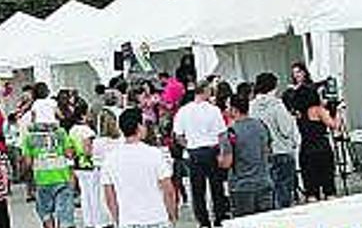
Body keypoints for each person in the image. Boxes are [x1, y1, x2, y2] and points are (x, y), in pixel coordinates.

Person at [102, 107, 178, 228]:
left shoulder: (110, 158)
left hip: (128, 220)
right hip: (156, 218)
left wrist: (117, 220)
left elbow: (109, 196)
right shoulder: (154, 154)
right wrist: (172, 216)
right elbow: (168, 190)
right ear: (138, 127)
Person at [173, 80, 229, 227]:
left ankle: (203, 221)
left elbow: (178, 135)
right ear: (205, 91)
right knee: (216, 187)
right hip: (211, 151)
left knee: (197, 190)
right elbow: (222, 134)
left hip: (193, 152)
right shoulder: (213, 110)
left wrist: (189, 145)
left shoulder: (183, 111)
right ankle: (219, 217)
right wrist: (223, 153)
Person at [250, 72, 299, 209]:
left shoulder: (251, 106)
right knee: (284, 192)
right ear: (273, 86)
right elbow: (285, 130)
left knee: (269, 193)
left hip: (263, 154)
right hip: (282, 151)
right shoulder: (277, 105)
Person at [23, 112, 80, 228]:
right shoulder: (61, 133)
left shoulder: (29, 137)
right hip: (62, 178)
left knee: (45, 212)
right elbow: (69, 154)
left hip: (42, 180)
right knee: (65, 213)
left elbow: (27, 162)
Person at [221, 94, 274, 217]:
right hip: (264, 181)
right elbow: (268, 150)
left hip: (242, 186)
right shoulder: (261, 125)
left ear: (234, 110)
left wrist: (219, 159)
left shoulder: (231, 132)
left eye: (228, 107)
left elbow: (227, 162)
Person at [295, 84, 341, 201]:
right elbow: (334, 125)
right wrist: (338, 112)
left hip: (306, 149)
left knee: (311, 190)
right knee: (328, 186)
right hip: (322, 148)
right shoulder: (318, 110)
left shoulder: (298, 113)